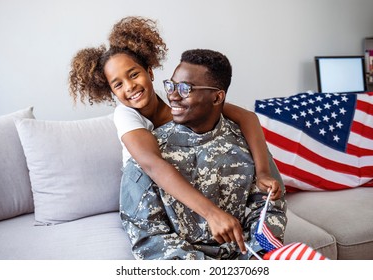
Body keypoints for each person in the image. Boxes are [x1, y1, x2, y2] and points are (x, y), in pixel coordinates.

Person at [68, 16, 282, 254]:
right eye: (117, 85)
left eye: (133, 74)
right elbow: (153, 165)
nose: (129, 87)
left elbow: (247, 117)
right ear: (110, 91)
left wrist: (262, 172)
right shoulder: (126, 116)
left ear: (150, 72)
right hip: (148, 189)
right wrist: (212, 213)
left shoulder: (173, 96)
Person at [120, 48, 287, 260]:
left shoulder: (247, 143)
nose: (172, 95)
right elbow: (147, 235)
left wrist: (257, 257)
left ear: (217, 98)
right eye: (171, 85)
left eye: (185, 88)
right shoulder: (148, 151)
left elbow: (269, 210)